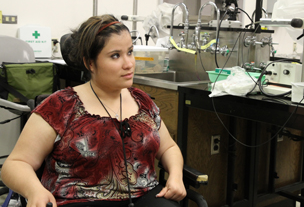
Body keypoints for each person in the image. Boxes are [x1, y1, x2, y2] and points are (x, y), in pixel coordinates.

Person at [1, 14, 186, 207]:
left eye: (130, 52)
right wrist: (35, 190)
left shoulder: (143, 102)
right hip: (79, 200)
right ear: (90, 63)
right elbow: (15, 164)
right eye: (115, 55)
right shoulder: (61, 106)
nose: (129, 63)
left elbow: (169, 148)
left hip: (144, 197)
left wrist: (176, 176)